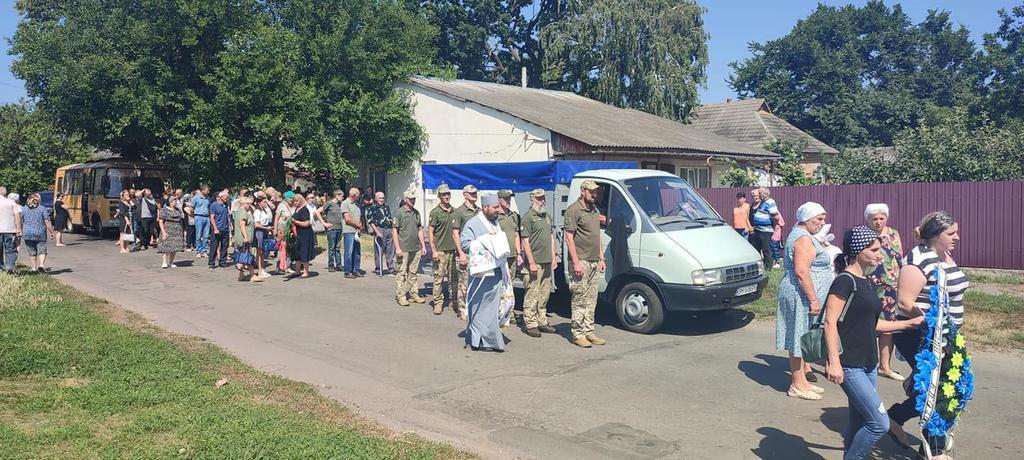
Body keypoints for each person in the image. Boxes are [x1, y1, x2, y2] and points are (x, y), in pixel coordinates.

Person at [823, 225, 924, 460]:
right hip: (849, 364)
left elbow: (872, 324)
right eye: (875, 249)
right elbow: (830, 322)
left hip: (868, 363)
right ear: (859, 251)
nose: (881, 255)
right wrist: (834, 363)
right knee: (879, 423)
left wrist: (909, 324)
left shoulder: (867, 280)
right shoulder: (845, 281)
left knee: (859, 420)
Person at [886, 211, 967, 459]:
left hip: (946, 335)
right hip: (921, 335)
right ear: (934, 235)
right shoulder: (917, 260)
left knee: (947, 386)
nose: (957, 237)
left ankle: (896, 417)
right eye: (951, 233)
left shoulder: (944, 255)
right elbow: (904, 301)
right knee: (939, 388)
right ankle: (934, 448)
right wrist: (936, 323)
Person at [776, 201, 833, 400]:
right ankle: (797, 385)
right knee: (798, 338)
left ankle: (803, 381)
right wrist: (814, 300)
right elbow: (801, 271)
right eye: (819, 219)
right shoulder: (802, 238)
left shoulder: (804, 235)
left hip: (800, 294)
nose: (822, 222)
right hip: (799, 294)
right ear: (807, 219)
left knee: (800, 336)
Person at [861, 203, 906, 382]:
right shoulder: (864, 235)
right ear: (868, 220)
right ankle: (865, 363)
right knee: (867, 325)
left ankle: (885, 366)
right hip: (870, 284)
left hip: (891, 286)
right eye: (874, 219)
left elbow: (900, 258)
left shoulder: (894, 234)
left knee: (889, 327)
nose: (878, 222)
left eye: (881, 218)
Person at [461, 193, 511, 352]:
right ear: (485, 207)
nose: (498, 210)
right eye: (495, 207)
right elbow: (465, 244)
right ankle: (476, 340)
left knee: (492, 308)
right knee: (478, 306)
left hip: (496, 271)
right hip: (480, 274)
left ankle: (491, 340)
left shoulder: (495, 223)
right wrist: (484, 243)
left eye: (498, 207)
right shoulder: (473, 223)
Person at [565, 180, 607, 348]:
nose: (594, 194)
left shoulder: (594, 209)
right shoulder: (574, 210)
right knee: (580, 298)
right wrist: (575, 262)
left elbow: (597, 236)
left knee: (591, 298)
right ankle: (578, 333)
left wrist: (601, 258)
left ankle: (589, 331)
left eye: (595, 192)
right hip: (581, 260)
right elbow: (569, 238)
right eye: (591, 192)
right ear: (583, 191)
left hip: (594, 260)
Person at [520, 189, 558, 337]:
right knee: (532, 293)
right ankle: (530, 323)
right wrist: (531, 262)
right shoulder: (528, 217)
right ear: (532, 200)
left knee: (544, 293)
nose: (542, 201)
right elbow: (525, 241)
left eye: (543, 198)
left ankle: (542, 321)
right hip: (535, 262)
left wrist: (553, 257)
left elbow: (551, 237)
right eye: (539, 198)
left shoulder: (546, 216)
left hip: (547, 261)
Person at [393, 190, 427, 306]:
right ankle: (401, 296)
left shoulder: (416, 213)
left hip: (416, 248)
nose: (413, 200)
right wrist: (397, 248)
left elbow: (420, 230)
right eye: (411, 199)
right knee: (401, 273)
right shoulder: (400, 213)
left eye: (414, 198)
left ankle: (414, 293)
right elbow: (394, 230)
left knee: (413, 272)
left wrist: (423, 246)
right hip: (404, 248)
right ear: (406, 199)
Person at [451, 185, 479, 320]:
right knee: (464, 283)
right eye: (472, 194)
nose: (475, 195)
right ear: (465, 195)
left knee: (476, 282)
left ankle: (474, 308)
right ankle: (462, 310)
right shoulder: (459, 212)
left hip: (478, 254)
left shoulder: (479, 211)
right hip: (465, 253)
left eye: (476, 193)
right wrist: (461, 253)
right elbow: (455, 234)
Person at [428, 185, 457, 315]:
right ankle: (438, 303)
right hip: (440, 250)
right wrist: (433, 250)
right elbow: (430, 232)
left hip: (452, 250)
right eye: (443, 195)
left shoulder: (454, 212)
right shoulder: (435, 212)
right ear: (439, 196)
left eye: (448, 194)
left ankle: (453, 301)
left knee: (453, 278)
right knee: (438, 277)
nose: (446, 197)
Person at [496, 189, 522, 327]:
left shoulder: (513, 216)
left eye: (509, 199)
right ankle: (497, 311)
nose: (508, 201)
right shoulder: (495, 216)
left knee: (509, 286)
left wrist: (518, 254)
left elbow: (517, 235)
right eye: (506, 199)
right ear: (499, 199)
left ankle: (509, 312)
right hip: (500, 257)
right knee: (498, 285)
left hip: (512, 256)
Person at [20, 193, 54, 273]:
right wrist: (51, 232)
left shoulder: (23, 209)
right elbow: (47, 221)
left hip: (27, 233)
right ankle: (41, 265)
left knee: (32, 251)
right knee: (42, 250)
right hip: (40, 232)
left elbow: (21, 221)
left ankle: (33, 268)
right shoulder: (42, 208)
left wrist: (20, 231)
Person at [231, 197, 261, 282]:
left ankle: (241, 275)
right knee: (248, 256)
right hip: (243, 238)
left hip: (241, 238)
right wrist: (246, 237)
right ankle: (252, 275)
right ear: (245, 204)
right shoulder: (243, 212)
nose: (249, 206)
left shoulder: (240, 211)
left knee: (242, 256)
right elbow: (242, 225)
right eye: (248, 204)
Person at [750, 187, 781, 269]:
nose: (759, 195)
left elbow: (776, 216)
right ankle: (760, 266)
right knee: (756, 248)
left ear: (766, 194)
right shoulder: (763, 202)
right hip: (758, 230)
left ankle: (768, 267)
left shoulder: (770, 202)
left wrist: (774, 225)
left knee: (766, 249)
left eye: (760, 193)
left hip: (765, 231)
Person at [367, 191, 396, 276]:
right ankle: (378, 268)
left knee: (390, 250)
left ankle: (391, 268)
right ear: (376, 198)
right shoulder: (372, 208)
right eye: (380, 198)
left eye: (383, 198)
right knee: (379, 250)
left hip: (388, 229)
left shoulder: (386, 207)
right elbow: (370, 221)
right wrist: (377, 232)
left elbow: (389, 218)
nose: (381, 200)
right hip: (379, 229)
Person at [289, 194, 315, 278]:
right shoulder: (297, 209)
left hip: (305, 234)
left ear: (301, 201)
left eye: (297, 201)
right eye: (294, 201)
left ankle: (306, 272)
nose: (295, 203)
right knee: (298, 252)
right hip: (298, 233)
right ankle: (297, 271)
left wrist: (295, 222)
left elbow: (307, 223)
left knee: (304, 252)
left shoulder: (304, 210)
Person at [341, 187, 364, 278]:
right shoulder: (345, 203)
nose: (360, 196)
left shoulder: (357, 204)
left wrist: (360, 226)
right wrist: (357, 225)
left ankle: (356, 269)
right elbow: (347, 219)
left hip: (356, 231)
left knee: (357, 251)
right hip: (349, 231)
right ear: (353, 194)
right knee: (349, 252)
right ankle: (348, 271)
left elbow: (359, 217)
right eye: (358, 194)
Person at [157, 195, 185, 269]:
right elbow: (160, 221)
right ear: (170, 202)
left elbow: (181, 220)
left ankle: (171, 262)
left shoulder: (178, 210)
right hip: (167, 229)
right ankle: (164, 262)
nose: (176, 202)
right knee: (166, 246)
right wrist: (163, 232)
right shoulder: (164, 210)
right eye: (174, 201)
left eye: (176, 201)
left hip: (177, 229)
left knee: (174, 247)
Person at [321, 190, 345, 272]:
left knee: (337, 248)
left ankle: (338, 264)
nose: (342, 198)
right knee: (331, 248)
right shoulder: (330, 203)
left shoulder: (339, 205)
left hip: (339, 228)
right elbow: (317, 212)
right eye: (341, 196)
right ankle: (331, 264)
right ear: (337, 196)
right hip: (332, 229)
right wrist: (324, 223)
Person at [0, 186, 23, 273]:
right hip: (10, 229)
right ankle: (9, 267)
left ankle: (1, 268)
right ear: (5, 193)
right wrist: (18, 228)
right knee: (10, 249)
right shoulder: (11, 202)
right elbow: (17, 216)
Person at [252, 195, 274, 278]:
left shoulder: (264, 211)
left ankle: (262, 269)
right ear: (259, 203)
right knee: (259, 251)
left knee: (263, 251)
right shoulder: (257, 211)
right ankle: (260, 270)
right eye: (264, 202)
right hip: (259, 231)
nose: (266, 204)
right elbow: (257, 224)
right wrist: (266, 228)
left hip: (264, 230)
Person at [208, 191, 232, 270]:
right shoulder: (214, 205)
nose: (227, 198)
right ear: (221, 197)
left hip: (225, 229)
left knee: (225, 246)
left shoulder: (226, 205)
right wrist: (215, 228)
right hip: (217, 229)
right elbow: (212, 217)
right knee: (214, 246)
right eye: (226, 197)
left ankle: (222, 262)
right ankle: (211, 262)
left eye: (227, 197)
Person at [275, 191, 296, 274]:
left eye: (292, 198)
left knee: (289, 248)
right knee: (281, 248)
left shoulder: (294, 206)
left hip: (291, 230)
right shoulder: (281, 205)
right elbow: (276, 218)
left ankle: (288, 266)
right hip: (282, 230)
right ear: (286, 198)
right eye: (290, 198)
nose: (292, 199)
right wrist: (275, 230)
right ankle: (279, 266)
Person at [191, 186, 212, 258]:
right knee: (198, 235)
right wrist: (194, 216)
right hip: (198, 216)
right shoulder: (196, 198)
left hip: (206, 217)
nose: (208, 192)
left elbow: (209, 208)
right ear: (203, 190)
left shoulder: (208, 199)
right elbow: (192, 208)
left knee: (206, 235)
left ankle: (204, 251)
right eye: (207, 190)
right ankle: (198, 251)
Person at [117, 190, 134, 254]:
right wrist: (127, 220)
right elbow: (123, 213)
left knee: (128, 233)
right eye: (126, 194)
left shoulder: (128, 202)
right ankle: (122, 248)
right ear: (123, 196)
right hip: (124, 219)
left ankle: (126, 247)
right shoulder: (121, 202)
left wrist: (130, 200)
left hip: (130, 218)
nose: (127, 196)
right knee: (122, 234)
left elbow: (134, 206)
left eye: (128, 194)